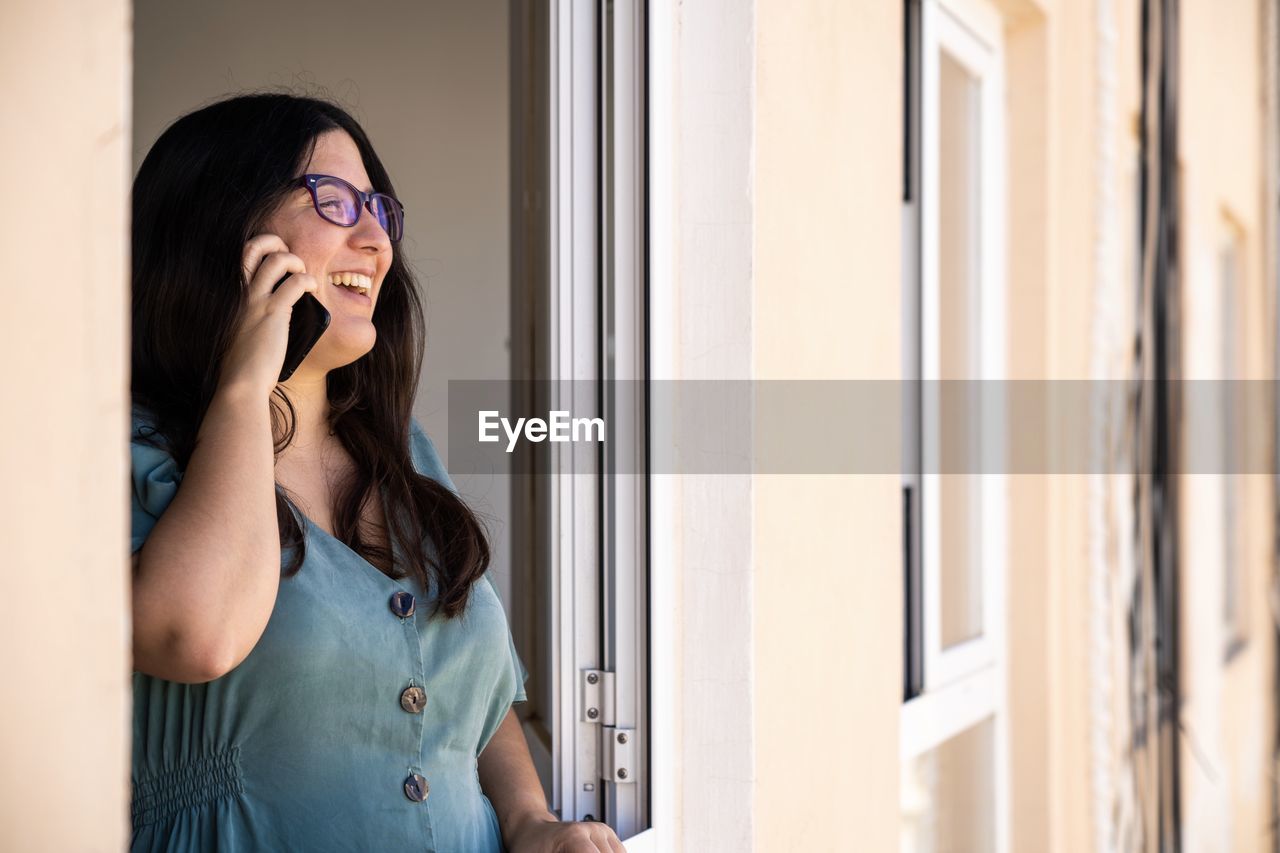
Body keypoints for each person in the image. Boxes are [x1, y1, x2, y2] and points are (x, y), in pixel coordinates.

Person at [129, 92, 625, 853]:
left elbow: (476, 703)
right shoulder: (130, 449)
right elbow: (194, 635)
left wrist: (530, 819)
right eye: (332, 201)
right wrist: (245, 385)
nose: (375, 240)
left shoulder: (402, 453)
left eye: (379, 209)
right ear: (221, 225)